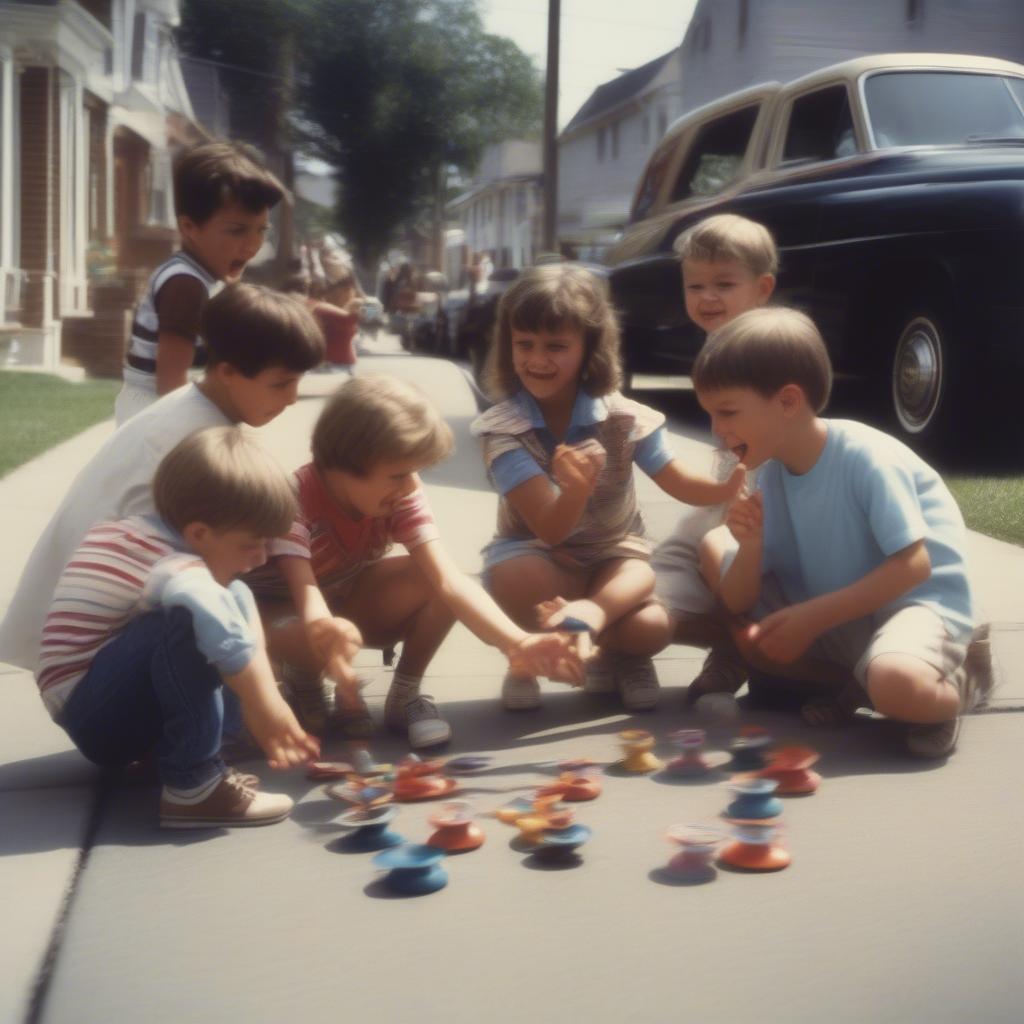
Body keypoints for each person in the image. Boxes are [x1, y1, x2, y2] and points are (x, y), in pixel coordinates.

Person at [694, 307, 993, 758]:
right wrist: (751, 546)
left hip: (918, 608)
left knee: (896, 684)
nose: (717, 431)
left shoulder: (865, 457)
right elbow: (737, 599)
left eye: (728, 412)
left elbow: (914, 566)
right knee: (726, 573)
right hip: (850, 614)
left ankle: (959, 683)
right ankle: (858, 682)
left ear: (788, 401)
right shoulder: (771, 475)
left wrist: (811, 618)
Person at [0, 283, 324, 676]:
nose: (292, 398)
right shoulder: (195, 440)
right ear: (227, 373)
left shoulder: (191, 409)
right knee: (245, 600)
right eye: (281, 383)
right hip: (99, 645)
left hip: (90, 625)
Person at [248, 373, 583, 749]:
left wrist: (517, 643)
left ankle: (404, 695)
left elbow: (448, 582)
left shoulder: (397, 493)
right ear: (343, 464)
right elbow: (307, 596)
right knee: (314, 633)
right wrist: (329, 643)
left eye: (414, 473)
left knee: (435, 581)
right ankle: (303, 678)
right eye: (398, 474)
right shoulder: (293, 500)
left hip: (342, 599)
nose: (410, 487)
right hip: (278, 615)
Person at [470, 263, 744, 713]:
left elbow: (676, 479)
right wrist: (575, 491)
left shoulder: (626, 419)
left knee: (652, 621)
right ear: (508, 346)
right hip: (538, 553)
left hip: (613, 556)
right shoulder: (504, 431)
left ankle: (616, 650)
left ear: (589, 349)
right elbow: (550, 528)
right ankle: (528, 657)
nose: (538, 360)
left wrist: (729, 486)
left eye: (556, 346)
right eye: (525, 345)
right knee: (515, 576)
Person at [38, 427, 320, 828]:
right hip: (96, 715)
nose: (260, 559)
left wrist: (264, 694)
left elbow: (236, 600)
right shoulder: (170, 563)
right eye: (251, 544)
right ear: (199, 533)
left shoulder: (151, 536)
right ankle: (193, 785)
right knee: (194, 619)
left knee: (233, 594)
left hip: (103, 699)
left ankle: (186, 753)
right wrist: (264, 704)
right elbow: (212, 617)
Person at [648, 214, 777, 705]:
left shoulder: (769, 347)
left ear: (762, 288)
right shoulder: (716, 345)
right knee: (656, 568)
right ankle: (716, 639)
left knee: (723, 557)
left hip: (766, 499)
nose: (707, 297)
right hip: (729, 491)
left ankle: (735, 648)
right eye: (695, 285)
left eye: (724, 284)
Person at [114, 141, 285, 425]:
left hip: (163, 402)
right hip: (153, 408)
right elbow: (170, 379)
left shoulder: (204, 275)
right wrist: (188, 431)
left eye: (261, 230)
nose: (253, 244)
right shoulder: (186, 284)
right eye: (237, 230)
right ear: (190, 228)